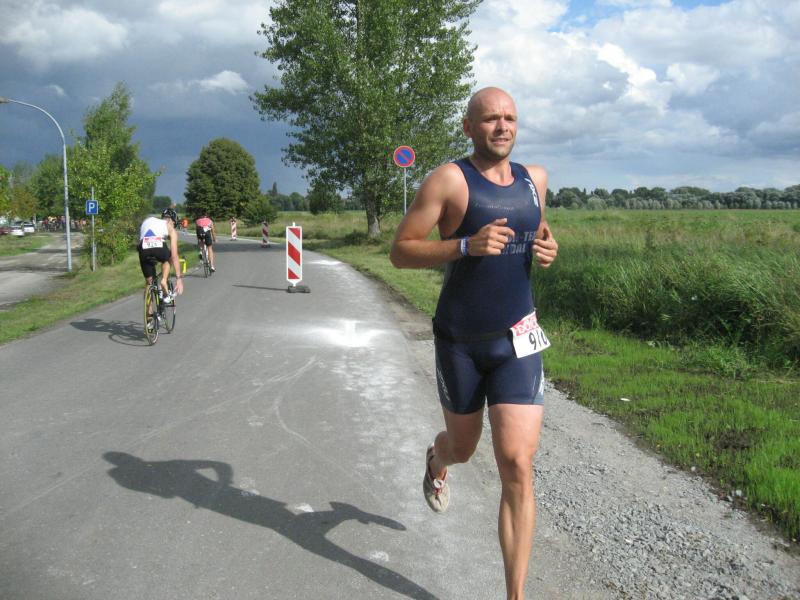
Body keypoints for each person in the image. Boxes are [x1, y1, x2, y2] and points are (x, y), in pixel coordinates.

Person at [389, 86, 559, 600]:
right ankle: (437, 462)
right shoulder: (449, 179)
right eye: (489, 119)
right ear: (469, 127)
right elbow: (401, 251)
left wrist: (548, 245)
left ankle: (515, 595)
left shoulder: (535, 179)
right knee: (463, 448)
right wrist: (465, 244)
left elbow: (537, 229)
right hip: (461, 343)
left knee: (517, 463)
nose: (501, 126)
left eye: (510, 118)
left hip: (518, 339)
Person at [138, 208, 184, 321]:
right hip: (158, 246)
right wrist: (179, 279)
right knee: (168, 258)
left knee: (149, 283)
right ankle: (164, 279)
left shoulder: (150, 221)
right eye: (174, 224)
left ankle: (149, 319)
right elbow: (174, 255)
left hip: (143, 248)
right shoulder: (169, 226)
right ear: (172, 221)